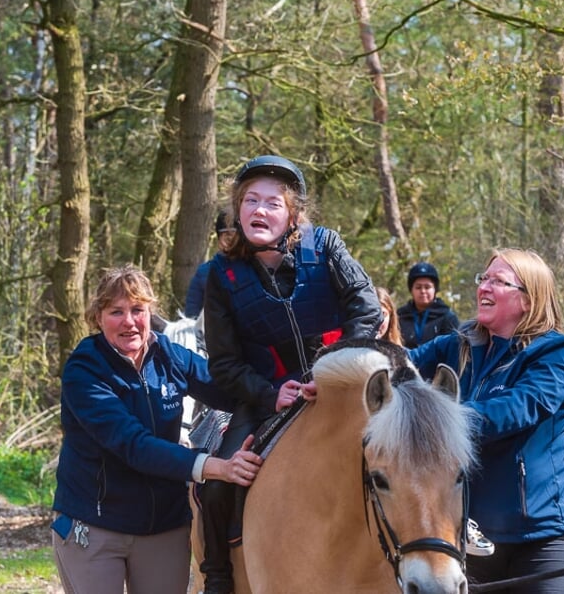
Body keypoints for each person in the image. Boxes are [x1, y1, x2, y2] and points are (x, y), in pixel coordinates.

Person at [199, 154, 382, 594]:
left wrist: (334, 369)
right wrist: (270, 394)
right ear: (237, 208)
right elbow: (223, 364)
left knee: (411, 448)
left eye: (272, 203)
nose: (259, 211)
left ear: (293, 214)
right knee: (218, 482)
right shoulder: (219, 276)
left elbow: (367, 306)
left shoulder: (329, 246)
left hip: (339, 384)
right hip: (266, 395)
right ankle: (218, 576)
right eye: (250, 201)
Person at [50, 264, 263, 594]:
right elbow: (133, 445)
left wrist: (277, 393)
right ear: (98, 317)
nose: (129, 321)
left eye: (138, 309)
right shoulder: (85, 369)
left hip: (164, 525)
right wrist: (217, 467)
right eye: (116, 312)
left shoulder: (168, 354)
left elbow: (228, 389)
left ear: (150, 312)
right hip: (93, 526)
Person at [410, 248, 564, 593]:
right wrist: (345, 369)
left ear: (527, 299)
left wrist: (440, 421)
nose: (484, 287)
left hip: (545, 538)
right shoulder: (461, 345)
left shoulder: (556, 351)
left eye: (499, 281)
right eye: (483, 278)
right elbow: (403, 362)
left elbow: (519, 407)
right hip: (474, 534)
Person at [184, 210, 236, 319]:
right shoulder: (205, 272)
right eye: (227, 236)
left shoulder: (254, 267)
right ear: (220, 238)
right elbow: (192, 312)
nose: (231, 240)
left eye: (235, 236)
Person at [398, 261, 460, 348]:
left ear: (435, 289)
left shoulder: (447, 317)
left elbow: (454, 349)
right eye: (418, 287)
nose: (423, 291)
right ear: (411, 289)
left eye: (427, 287)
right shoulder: (400, 316)